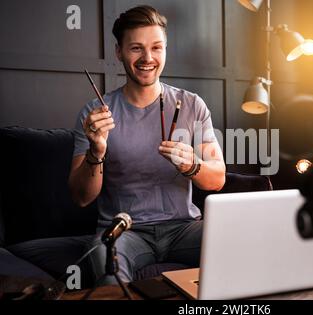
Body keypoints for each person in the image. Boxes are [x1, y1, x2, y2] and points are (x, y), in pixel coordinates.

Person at [68, 5, 225, 285]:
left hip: (184, 229)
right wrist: (96, 152)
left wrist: (192, 165)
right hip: (125, 232)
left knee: (237, 239)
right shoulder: (95, 114)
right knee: (102, 255)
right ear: (119, 52)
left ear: (166, 49)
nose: (148, 58)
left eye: (156, 47)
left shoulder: (192, 105)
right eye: (136, 48)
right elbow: (81, 197)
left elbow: (217, 179)